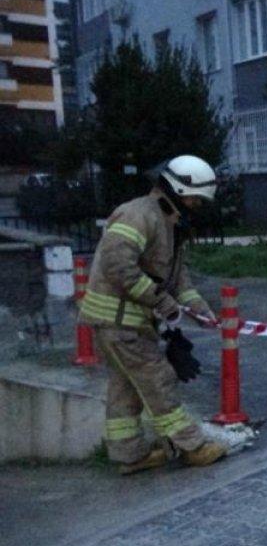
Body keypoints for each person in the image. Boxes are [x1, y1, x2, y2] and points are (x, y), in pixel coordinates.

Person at [80, 155, 228, 475]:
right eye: (195, 199)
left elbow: (177, 279)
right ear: (178, 189)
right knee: (158, 379)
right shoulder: (138, 215)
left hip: (123, 322)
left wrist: (201, 311)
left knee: (126, 389)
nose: (197, 206)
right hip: (119, 322)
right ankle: (191, 447)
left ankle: (130, 455)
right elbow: (118, 266)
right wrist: (159, 300)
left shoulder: (169, 223)